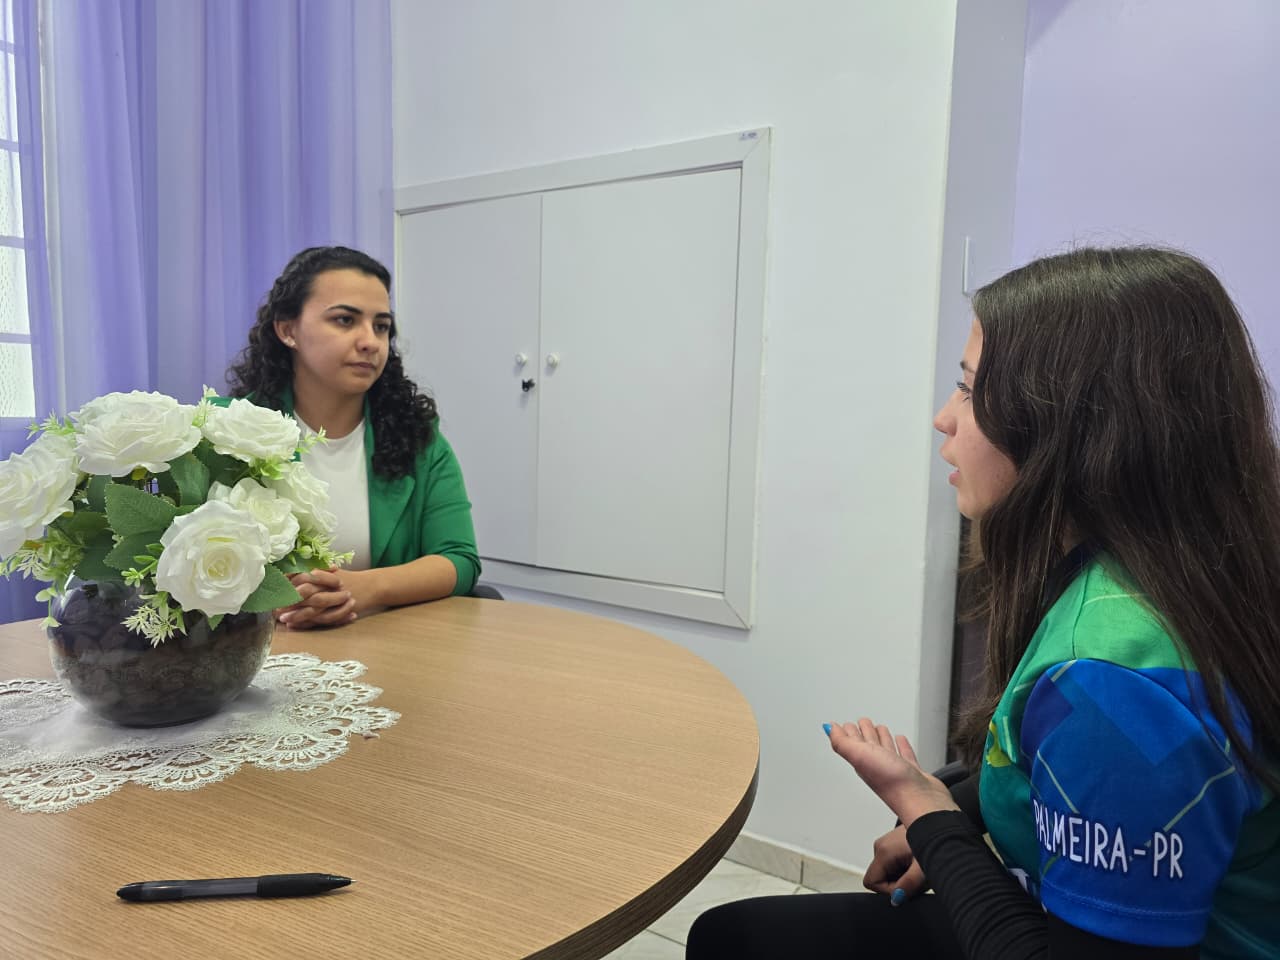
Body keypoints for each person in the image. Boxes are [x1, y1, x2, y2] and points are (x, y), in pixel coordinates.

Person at [686, 247, 1280, 959]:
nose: (944, 419)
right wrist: (960, 812)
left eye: (970, 391)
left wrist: (928, 814)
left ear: (1076, 426)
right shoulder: (1184, 566)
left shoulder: (1115, 684)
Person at [225, 245, 480, 628]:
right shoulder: (227, 433)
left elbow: (459, 559)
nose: (370, 342)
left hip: (383, 640)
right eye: (345, 320)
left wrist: (366, 588)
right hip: (264, 647)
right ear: (288, 330)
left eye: (381, 326)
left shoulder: (416, 436)